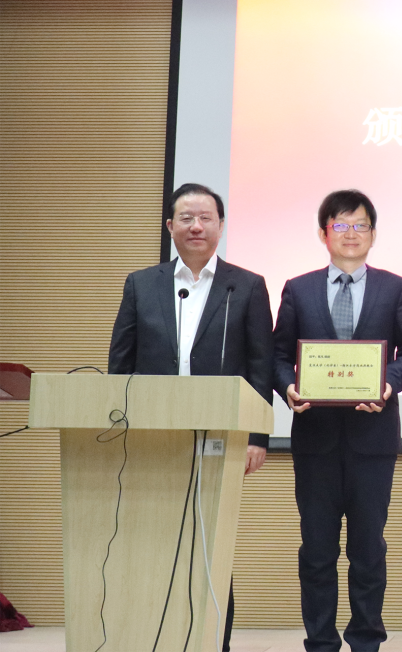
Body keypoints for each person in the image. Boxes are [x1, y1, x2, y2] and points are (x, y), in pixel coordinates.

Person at [108, 182, 274, 650]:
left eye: (205, 218)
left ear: (220, 226)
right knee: (152, 538)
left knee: (212, 543)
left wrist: (257, 436)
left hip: (221, 434)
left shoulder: (246, 286)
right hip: (151, 435)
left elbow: (260, 366)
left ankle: (214, 640)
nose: (196, 226)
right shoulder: (142, 283)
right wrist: (117, 427)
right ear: (170, 226)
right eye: (186, 218)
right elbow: (120, 362)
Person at [272, 189, 402, 652]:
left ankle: (366, 641)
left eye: (360, 225)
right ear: (324, 234)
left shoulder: (394, 288)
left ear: (373, 234)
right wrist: (289, 387)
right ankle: (320, 641)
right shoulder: (298, 289)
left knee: (368, 550)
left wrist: (388, 384)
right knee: (317, 550)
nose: (351, 233)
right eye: (340, 225)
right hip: (315, 441)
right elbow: (277, 354)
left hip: (373, 442)